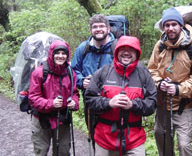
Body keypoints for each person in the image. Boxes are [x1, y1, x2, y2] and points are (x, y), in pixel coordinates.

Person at [147, 7, 192, 156]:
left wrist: (178, 89)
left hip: (184, 105)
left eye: (174, 24)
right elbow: (151, 70)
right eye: (167, 25)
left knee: (184, 144)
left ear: (181, 25)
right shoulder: (160, 45)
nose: (170, 28)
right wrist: (159, 83)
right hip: (162, 103)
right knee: (162, 138)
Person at [84, 35, 157, 156]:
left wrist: (133, 104)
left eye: (131, 49)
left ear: (137, 53)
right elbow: (89, 100)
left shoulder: (144, 75)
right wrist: (109, 103)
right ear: (117, 51)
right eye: (123, 49)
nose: (126, 52)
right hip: (104, 138)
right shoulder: (103, 73)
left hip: (134, 139)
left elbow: (152, 103)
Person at [70, 14, 115, 151]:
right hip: (90, 100)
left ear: (108, 28)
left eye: (101, 26)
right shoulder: (83, 48)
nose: (98, 29)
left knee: (113, 135)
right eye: (95, 27)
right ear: (90, 30)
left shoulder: (116, 47)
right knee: (94, 133)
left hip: (111, 100)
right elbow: (73, 70)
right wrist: (81, 81)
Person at [29, 40, 79, 156]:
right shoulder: (39, 73)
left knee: (63, 151)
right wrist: (51, 103)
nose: (60, 56)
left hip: (62, 119)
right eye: (57, 53)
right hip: (41, 119)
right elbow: (33, 97)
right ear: (51, 54)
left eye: (63, 53)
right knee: (41, 150)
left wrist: (74, 103)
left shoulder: (71, 73)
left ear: (67, 55)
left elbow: (75, 93)